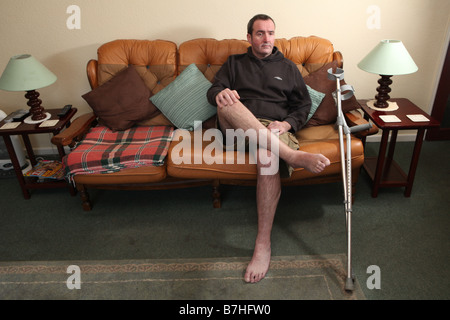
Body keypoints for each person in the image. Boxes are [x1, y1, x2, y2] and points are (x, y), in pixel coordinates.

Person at [207, 14, 330, 283]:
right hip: (236, 129)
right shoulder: (234, 63)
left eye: (271, 33)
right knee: (226, 102)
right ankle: (292, 156)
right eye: (260, 33)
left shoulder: (287, 67)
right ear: (249, 37)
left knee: (266, 157)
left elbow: (303, 106)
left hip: (274, 130)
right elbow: (215, 87)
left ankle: (262, 244)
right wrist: (219, 93)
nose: (266, 38)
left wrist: (287, 124)